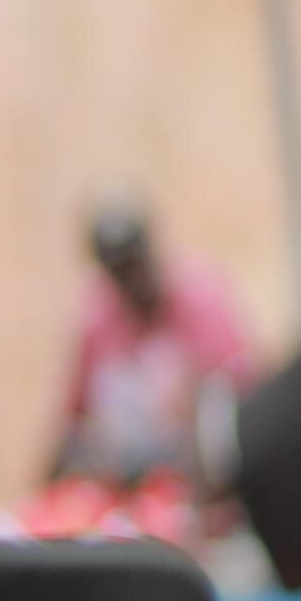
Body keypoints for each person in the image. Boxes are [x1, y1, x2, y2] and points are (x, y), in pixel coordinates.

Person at [50, 192, 257, 489]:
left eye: (135, 263)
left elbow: (243, 394)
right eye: (120, 271)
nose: (132, 278)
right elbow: (71, 422)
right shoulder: (98, 322)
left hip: (203, 485)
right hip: (128, 491)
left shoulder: (201, 300)